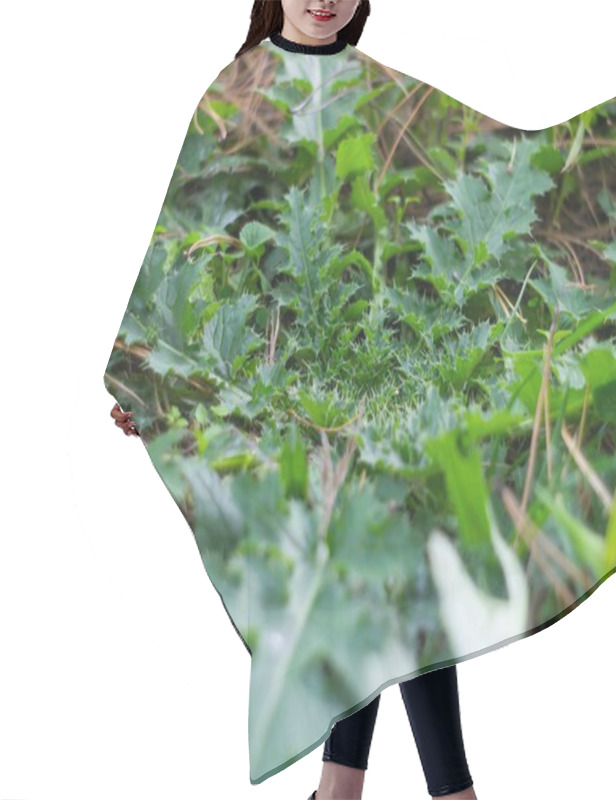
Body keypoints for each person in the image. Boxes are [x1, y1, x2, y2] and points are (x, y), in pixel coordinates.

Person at [113, 2, 478, 798]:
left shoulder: (385, 92)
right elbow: (185, 243)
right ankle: (431, 792)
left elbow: (472, 166)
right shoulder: (237, 89)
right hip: (279, 392)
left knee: (389, 565)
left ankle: (346, 790)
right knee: (368, 571)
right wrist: (147, 373)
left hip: (378, 378)